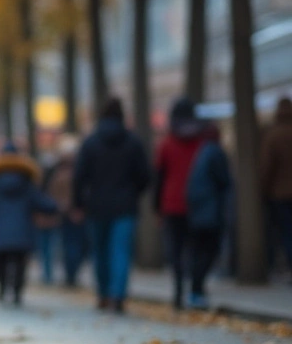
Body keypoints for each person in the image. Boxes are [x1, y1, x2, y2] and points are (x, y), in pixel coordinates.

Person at [72, 98, 151, 314]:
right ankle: (118, 295)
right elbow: (144, 175)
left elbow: (79, 177)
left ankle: (103, 294)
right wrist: (134, 192)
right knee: (121, 251)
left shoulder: (90, 143)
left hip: (96, 206)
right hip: (125, 206)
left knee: (100, 252)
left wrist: (78, 204)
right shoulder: (133, 142)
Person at [0, 144, 58, 305]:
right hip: (23, 233)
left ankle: (3, 288)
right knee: (20, 263)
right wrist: (55, 208)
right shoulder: (28, 185)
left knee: (0, 263)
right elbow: (45, 204)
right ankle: (17, 291)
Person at [153, 98, 205, 308]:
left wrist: (157, 207)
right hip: (198, 204)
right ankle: (196, 289)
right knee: (196, 249)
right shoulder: (202, 142)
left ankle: (178, 291)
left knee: (175, 251)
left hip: (172, 204)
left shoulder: (166, 144)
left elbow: (159, 177)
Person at [185, 122, 231, 310]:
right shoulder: (215, 153)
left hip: (199, 211)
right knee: (208, 251)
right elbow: (224, 180)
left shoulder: (202, 152)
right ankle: (197, 290)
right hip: (210, 211)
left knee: (199, 252)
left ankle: (196, 290)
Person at [40, 134, 86, 287]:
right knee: (70, 245)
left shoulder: (57, 169)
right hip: (68, 212)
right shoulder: (70, 169)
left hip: (66, 212)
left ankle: (68, 274)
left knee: (68, 245)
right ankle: (69, 274)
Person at [261, 97, 292, 270]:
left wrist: (263, 190)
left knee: (286, 232)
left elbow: (267, 166)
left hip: (279, 193)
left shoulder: (273, 135)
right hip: (280, 192)